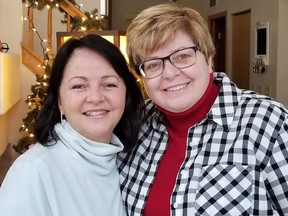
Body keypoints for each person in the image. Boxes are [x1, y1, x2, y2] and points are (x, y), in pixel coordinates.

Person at [117, 3, 288, 216]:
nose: (169, 74)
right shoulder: (136, 126)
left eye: (182, 56)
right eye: (152, 64)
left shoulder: (269, 123)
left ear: (208, 59)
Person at [0, 34, 144, 216]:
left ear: (126, 92)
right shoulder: (33, 171)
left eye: (108, 84)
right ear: (60, 100)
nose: (95, 97)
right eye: (78, 86)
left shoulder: (127, 160)